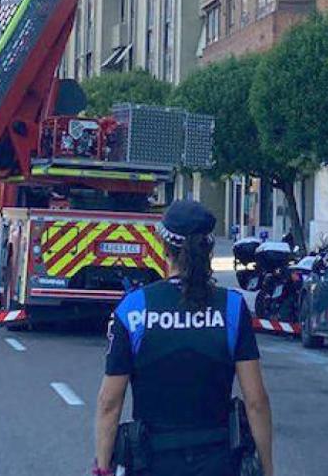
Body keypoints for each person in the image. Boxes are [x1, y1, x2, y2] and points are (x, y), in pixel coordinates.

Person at [93, 200, 274, 476]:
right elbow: (256, 401)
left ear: (165, 249)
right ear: (210, 249)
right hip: (217, 461)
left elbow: (109, 402)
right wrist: (267, 468)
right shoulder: (232, 308)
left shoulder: (134, 308)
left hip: (152, 461)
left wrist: (103, 468)